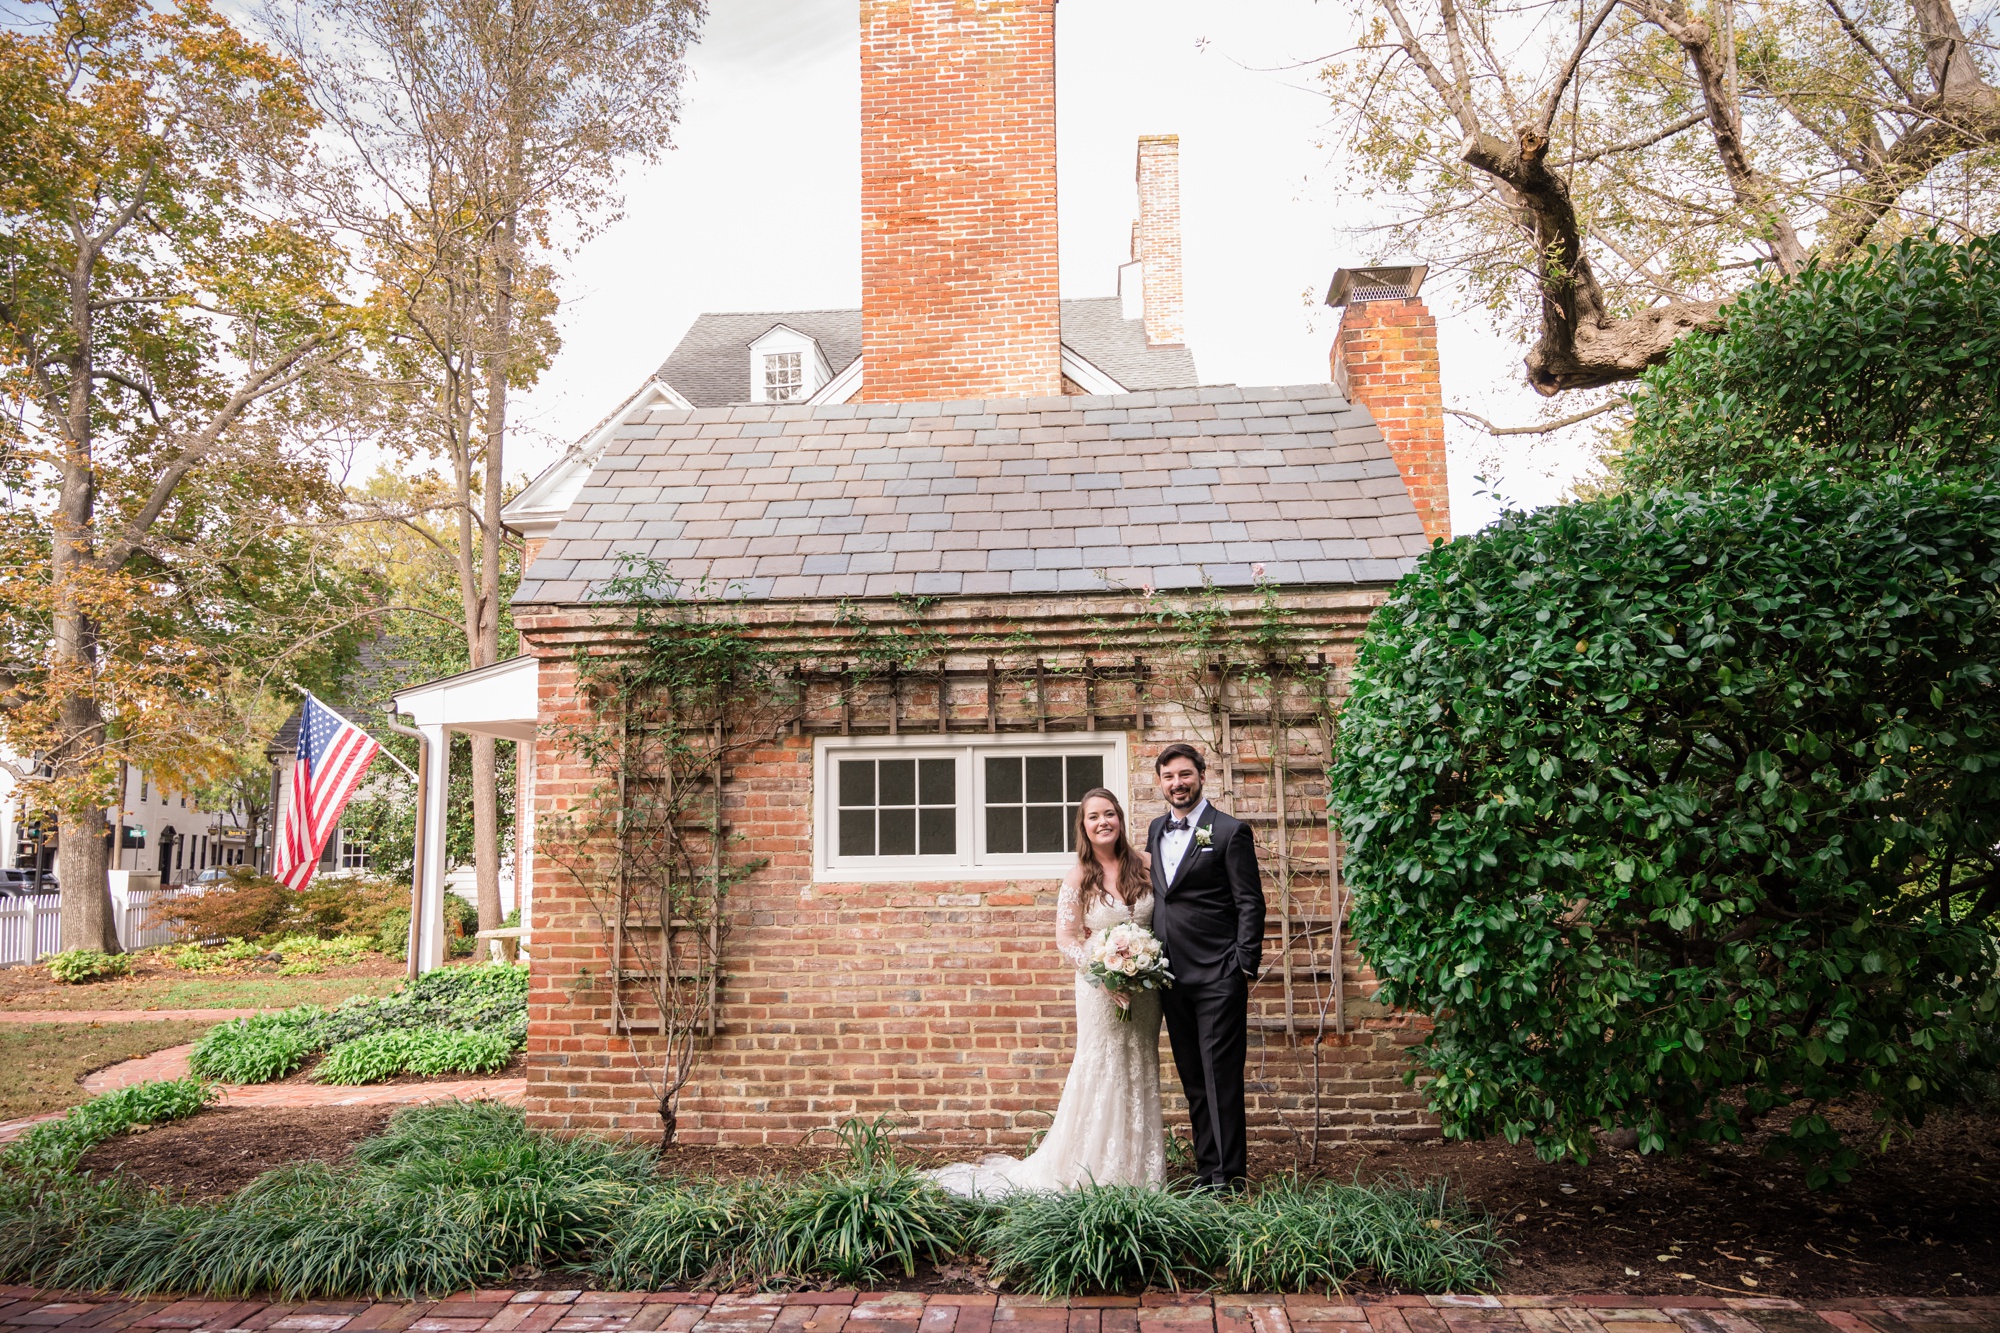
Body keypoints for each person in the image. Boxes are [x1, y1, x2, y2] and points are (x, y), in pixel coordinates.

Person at [925, 787, 1166, 1196]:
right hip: (1099, 988)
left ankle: (1137, 1169)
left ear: (1120, 819)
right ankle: (1093, 1167)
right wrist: (1102, 975)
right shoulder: (1078, 876)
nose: (1103, 822)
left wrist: (1144, 961)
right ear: (1084, 826)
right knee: (1101, 1066)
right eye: (1093, 817)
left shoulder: (1146, 864)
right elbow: (1066, 937)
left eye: (1109, 814)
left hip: (1146, 989)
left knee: (1140, 1064)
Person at [1146, 741, 1264, 1190]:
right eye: (1169, 777)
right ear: (1160, 782)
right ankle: (1206, 1171)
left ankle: (1229, 1180)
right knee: (1194, 1080)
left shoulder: (1230, 831)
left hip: (1218, 976)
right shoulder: (1156, 830)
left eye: (1184, 775)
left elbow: (1250, 904)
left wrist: (1242, 966)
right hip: (1171, 978)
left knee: (1221, 1080)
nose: (1177, 784)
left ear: (1201, 775)